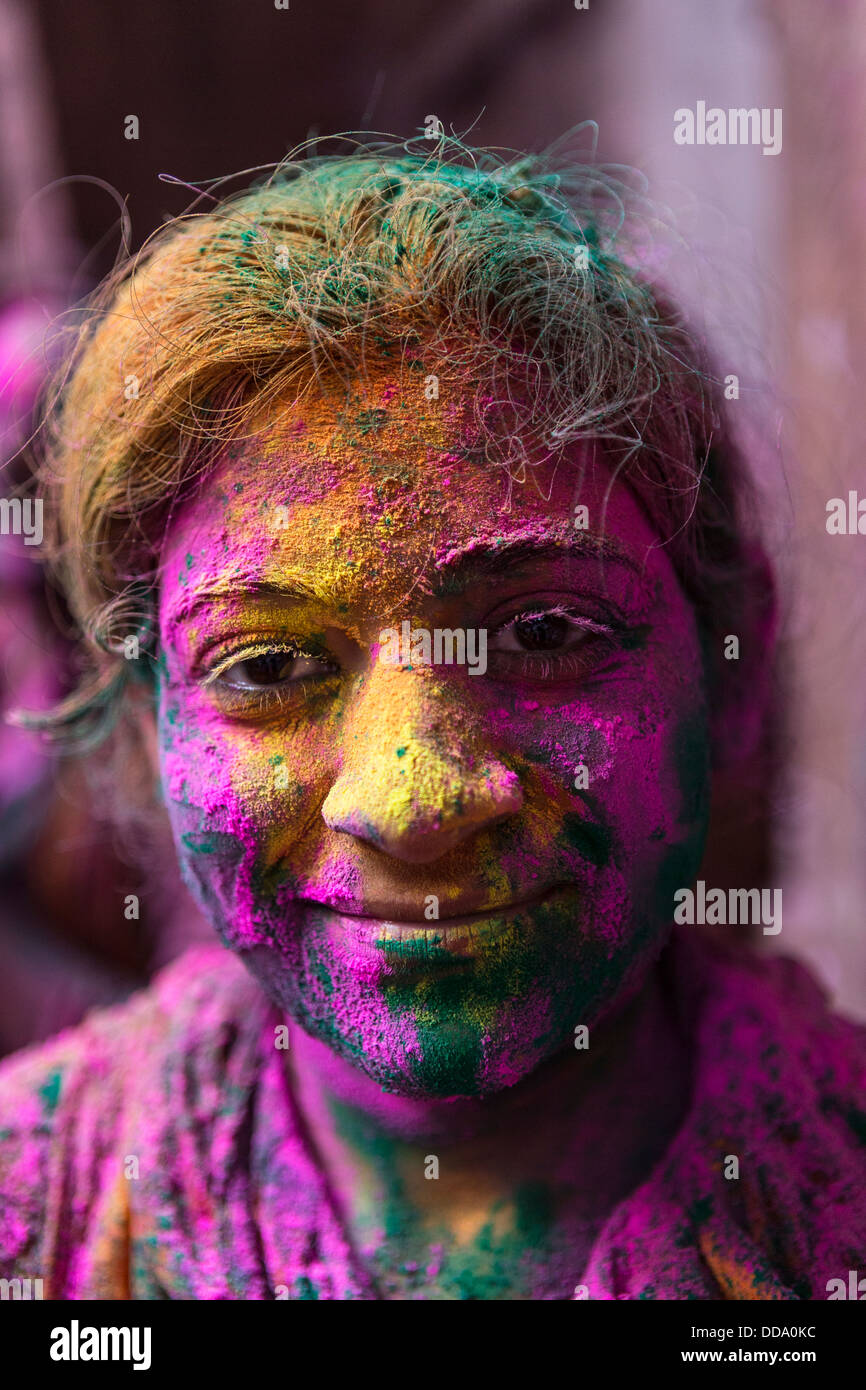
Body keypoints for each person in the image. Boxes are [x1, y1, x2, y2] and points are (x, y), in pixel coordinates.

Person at [1, 140, 863, 1300]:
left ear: (733, 664)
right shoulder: (33, 1201)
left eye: (545, 634)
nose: (410, 805)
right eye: (268, 664)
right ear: (151, 726)